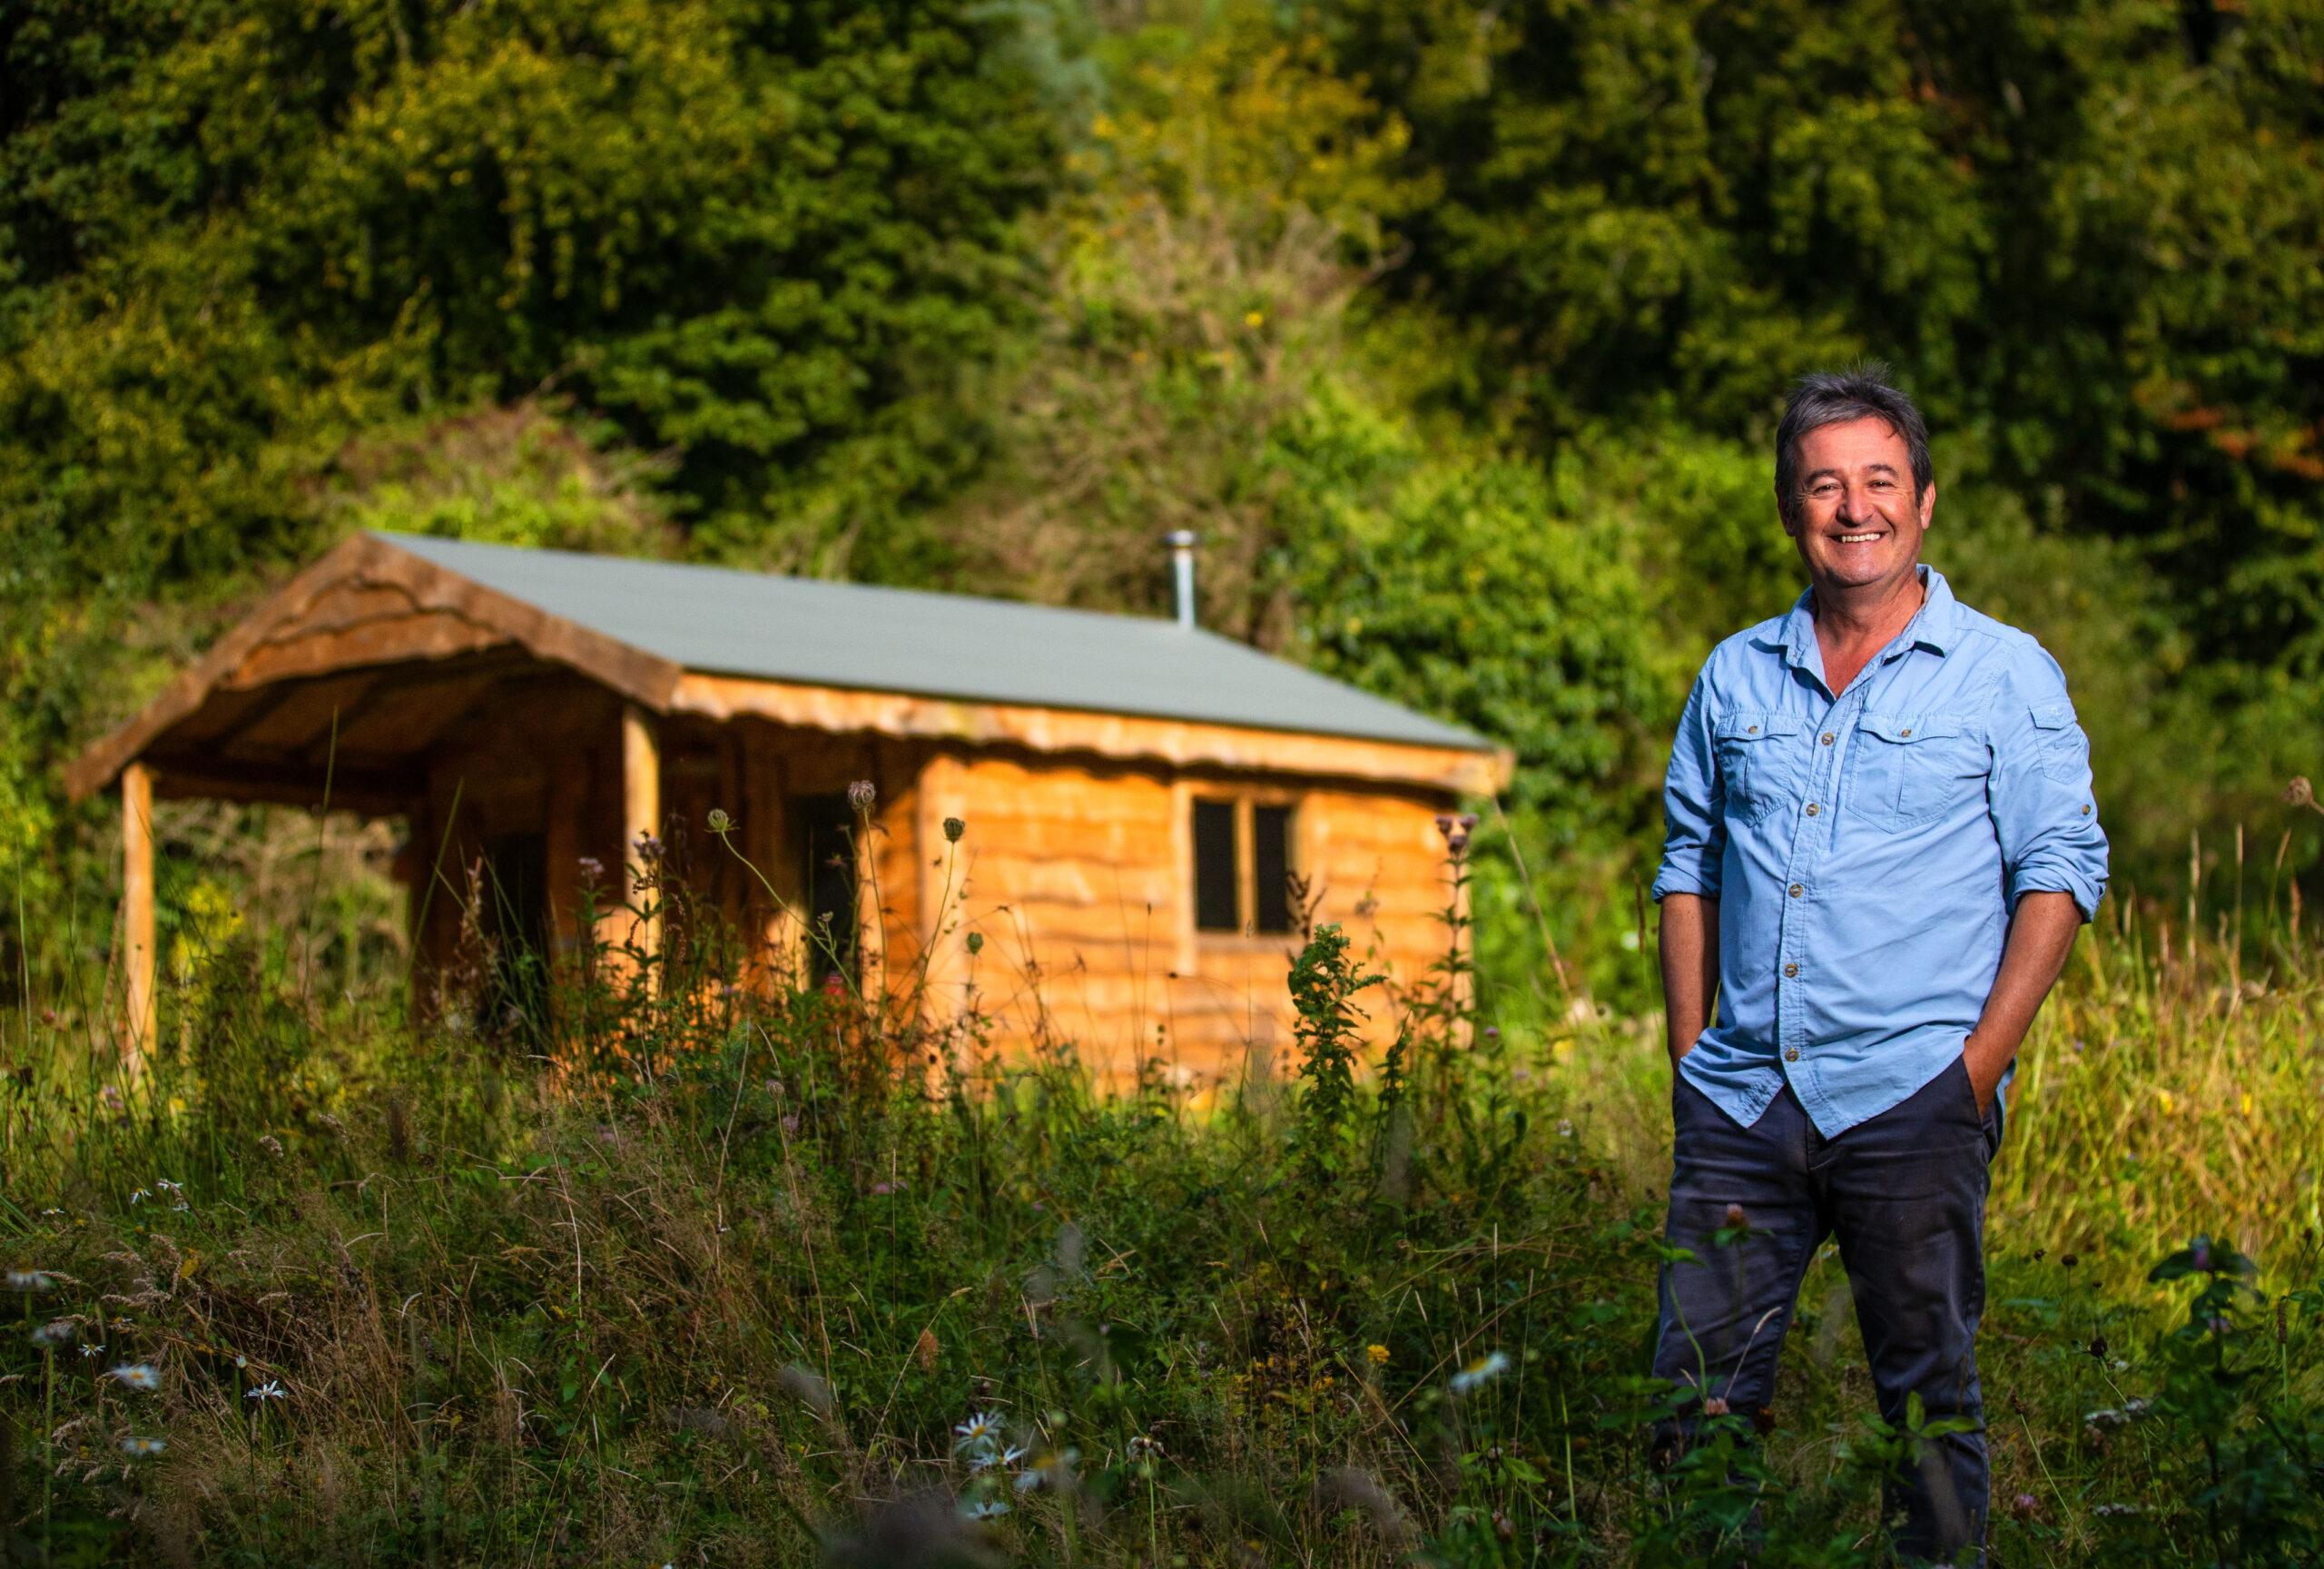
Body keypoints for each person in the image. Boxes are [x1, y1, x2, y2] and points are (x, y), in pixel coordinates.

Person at [1649, 366, 2109, 1562]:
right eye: (1824, 485)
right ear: (1790, 508)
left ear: (1925, 500)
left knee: (1923, 1409)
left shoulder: (2006, 673)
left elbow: (2059, 873)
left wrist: (1977, 1067)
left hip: (1913, 1095)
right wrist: (1692, 1056)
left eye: (1879, 481)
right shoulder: (1733, 675)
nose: (1854, 508)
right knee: (1697, 1407)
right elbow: (1687, 866)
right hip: (1741, 1096)